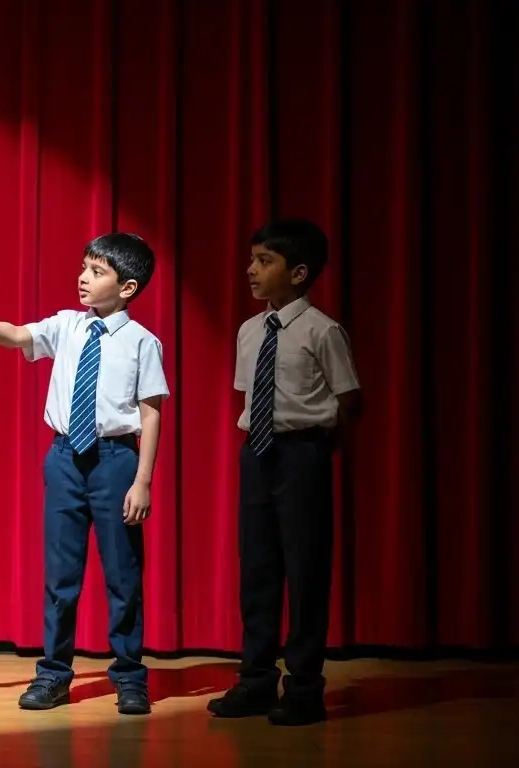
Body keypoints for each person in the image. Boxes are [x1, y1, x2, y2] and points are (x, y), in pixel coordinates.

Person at [0, 233, 168, 716]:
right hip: (65, 458)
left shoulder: (142, 343)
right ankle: (53, 675)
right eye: (83, 267)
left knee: (122, 575)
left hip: (115, 460)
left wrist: (142, 479)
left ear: (127, 287)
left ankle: (130, 676)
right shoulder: (68, 326)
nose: (83, 278)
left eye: (97, 271)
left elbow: (150, 413)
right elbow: (21, 335)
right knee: (61, 574)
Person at [207, 219, 361, 726]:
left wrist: (314, 451)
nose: (251, 270)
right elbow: (249, 396)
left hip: (302, 455)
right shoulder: (250, 330)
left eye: (264, 261)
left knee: (306, 571)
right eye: (251, 260)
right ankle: (255, 681)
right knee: (258, 570)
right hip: (257, 453)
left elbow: (348, 401)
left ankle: (304, 688)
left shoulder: (323, 330)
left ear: (298, 273)